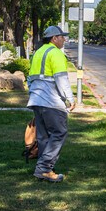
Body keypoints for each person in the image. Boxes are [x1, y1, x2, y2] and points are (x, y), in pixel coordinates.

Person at [27, 25, 75, 182]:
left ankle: (45, 168)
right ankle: (44, 168)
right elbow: (61, 79)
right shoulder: (56, 54)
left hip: (36, 100)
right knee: (59, 132)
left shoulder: (38, 53)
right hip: (51, 101)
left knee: (43, 136)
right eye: (62, 37)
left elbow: (30, 78)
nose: (64, 39)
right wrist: (70, 99)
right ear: (54, 38)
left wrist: (32, 95)